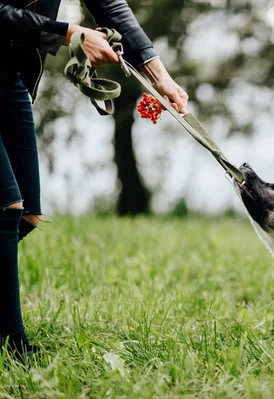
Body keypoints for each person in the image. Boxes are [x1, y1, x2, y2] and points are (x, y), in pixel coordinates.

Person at [0, 0, 189, 359]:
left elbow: (110, 5)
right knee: (7, 208)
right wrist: (71, 32)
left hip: (9, 75)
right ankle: (13, 345)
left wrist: (159, 75)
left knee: (27, 215)